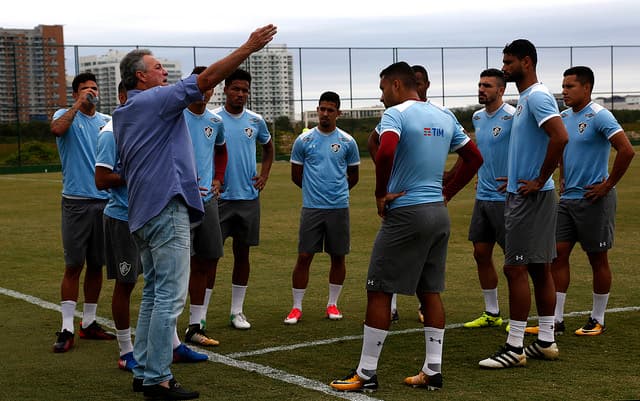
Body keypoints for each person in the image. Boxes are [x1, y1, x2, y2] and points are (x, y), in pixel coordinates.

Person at [113, 24, 277, 400]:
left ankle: (144, 370)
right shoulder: (155, 101)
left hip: (142, 213)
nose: (163, 73)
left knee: (155, 294)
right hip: (165, 209)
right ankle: (157, 378)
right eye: (157, 68)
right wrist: (248, 46)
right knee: (169, 297)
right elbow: (207, 79)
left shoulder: (125, 112)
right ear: (140, 76)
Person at [330, 61, 482, 392]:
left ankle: (366, 374)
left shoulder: (396, 114)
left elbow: (384, 153)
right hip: (437, 214)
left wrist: (380, 193)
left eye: (383, 88)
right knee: (430, 291)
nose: (382, 95)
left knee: (379, 289)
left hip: (407, 213)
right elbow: (474, 158)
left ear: (397, 86)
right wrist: (447, 193)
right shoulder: (444, 115)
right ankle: (432, 370)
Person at [96, 83, 209, 371]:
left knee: (157, 286)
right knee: (129, 284)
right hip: (123, 216)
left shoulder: (154, 123)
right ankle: (127, 351)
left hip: (147, 212)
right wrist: (144, 173)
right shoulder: (111, 131)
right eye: (156, 71)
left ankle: (171, 346)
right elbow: (101, 178)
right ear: (126, 96)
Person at [525, 66, 635, 336]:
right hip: (567, 200)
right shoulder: (562, 117)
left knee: (597, 259)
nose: (564, 91)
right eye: (563, 86)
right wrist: (561, 176)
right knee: (557, 255)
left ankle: (598, 318)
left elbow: (626, 150)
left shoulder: (600, 115)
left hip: (594, 200)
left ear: (586, 88)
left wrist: (607, 185)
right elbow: (561, 148)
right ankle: (556, 319)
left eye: (570, 86)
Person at [479, 39, 568, 369]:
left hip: (532, 197)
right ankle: (546, 341)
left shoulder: (538, 96)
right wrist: (518, 176)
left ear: (526, 62)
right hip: (526, 193)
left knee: (514, 267)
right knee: (538, 268)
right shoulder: (528, 98)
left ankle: (514, 346)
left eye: (509, 62)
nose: (504, 67)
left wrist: (538, 178)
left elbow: (560, 136)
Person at [50, 72, 115, 353]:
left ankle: (88, 323)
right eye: (86, 88)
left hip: (104, 203)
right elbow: (56, 130)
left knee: (97, 264)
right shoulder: (65, 114)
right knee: (74, 265)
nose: (91, 92)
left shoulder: (106, 122)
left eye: (94, 88)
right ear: (76, 92)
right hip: (76, 203)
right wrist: (77, 105)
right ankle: (66, 328)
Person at [283, 91, 360, 325]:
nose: (325, 114)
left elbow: (353, 176)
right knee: (304, 256)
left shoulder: (348, 141)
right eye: (322, 109)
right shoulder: (303, 141)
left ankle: (332, 304)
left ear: (338, 112)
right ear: (317, 110)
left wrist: (337, 192)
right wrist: (313, 192)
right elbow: (297, 176)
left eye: (330, 110)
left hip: (339, 207)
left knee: (338, 256)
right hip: (312, 208)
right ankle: (296, 308)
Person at [211, 68, 275, 330]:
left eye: (245, 90)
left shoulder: (256, 121)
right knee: (209, 256)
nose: (240, 94)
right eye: (235, 89)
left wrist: (265, 174)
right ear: (224, 90)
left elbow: (268, 147)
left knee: (242, 254)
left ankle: (237, 311)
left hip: (248, 197)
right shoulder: (213, 118)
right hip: (219, 198)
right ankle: (199, 315)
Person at [463, 68, 514, 329]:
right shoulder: (477, 117)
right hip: (482, 196)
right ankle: (492, 312)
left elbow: (527, 149)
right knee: (481, 252)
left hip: (505, 199)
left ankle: (519, 317)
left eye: (488, 86)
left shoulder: (514, 117)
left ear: (501, 90)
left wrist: (515, 178)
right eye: (480, 84)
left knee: (515, 259)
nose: (482, 89)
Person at [183, 66, 228, 346]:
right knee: (177, 266)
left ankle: (194, 325)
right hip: (179, 202)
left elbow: (221, 150)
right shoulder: (175, 117)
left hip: (208, 201)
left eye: (210, 87)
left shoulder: (215, 121)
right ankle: (167, 330)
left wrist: (218, 178)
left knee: (208, 259)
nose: (205, 91)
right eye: (201, 85)